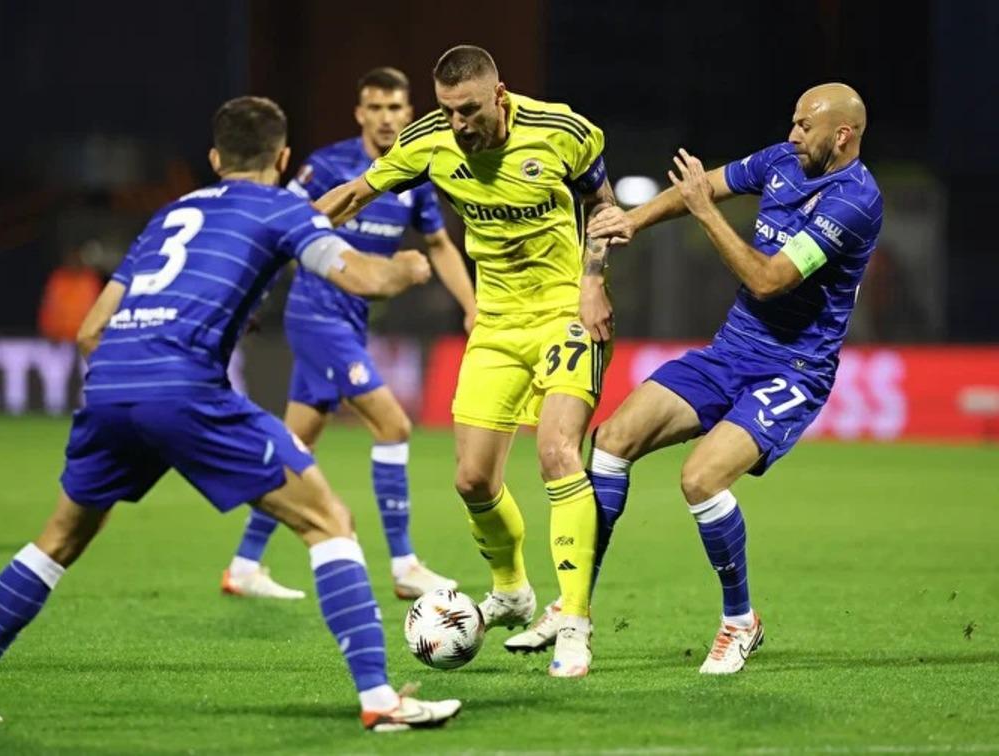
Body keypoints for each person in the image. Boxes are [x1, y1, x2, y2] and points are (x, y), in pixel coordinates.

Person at [0, 96, 461, 731]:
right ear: (284, 157)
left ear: (215, 158)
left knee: (60, 538)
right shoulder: (282, 207)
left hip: (111, 386)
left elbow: (90, 330)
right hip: (183, 388)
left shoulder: (169, 213)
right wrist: (403, 269)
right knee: (330, 522)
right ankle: (382, 702)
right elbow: (360, 278)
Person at [554, 83, 881, 675]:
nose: (791, 135)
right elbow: (702, 188)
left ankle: (739, 621)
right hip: (732, 350)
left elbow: (769, 280)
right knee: (610, 442)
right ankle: (574, 610)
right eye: (793, 122)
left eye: (804, 127)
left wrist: (706, 213)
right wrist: (634, 219)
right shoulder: (782, 161)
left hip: (793, 368)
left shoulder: (854, 202)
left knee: (700, 478)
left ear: (842, 136)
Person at [315, 45, 618, 678]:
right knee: (472, 481)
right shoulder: (427, 141)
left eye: (471, 110)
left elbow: (603, 203)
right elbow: (355, 195)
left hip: (565, 310)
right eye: (449, 111)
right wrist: (273, 231)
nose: (459, 124)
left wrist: (594, 281)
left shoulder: (560, 130)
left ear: (500, 96)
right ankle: (511, 591)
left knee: (558, 453)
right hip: (497, 322)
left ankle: (575, 621)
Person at [222, 67, 476, 602]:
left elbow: (440, 246)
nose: (385, 118)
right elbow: (279, 225)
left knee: (295, 446)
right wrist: (246, 293)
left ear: (409, 114)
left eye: (394, 108)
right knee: (394, 426)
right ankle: (405, 564)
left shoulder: (414, 178)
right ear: (360, 113)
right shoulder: (327, 167)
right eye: (375, 108)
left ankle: (244, 565)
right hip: (316, 316)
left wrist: (471, 306)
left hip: (351, 322)